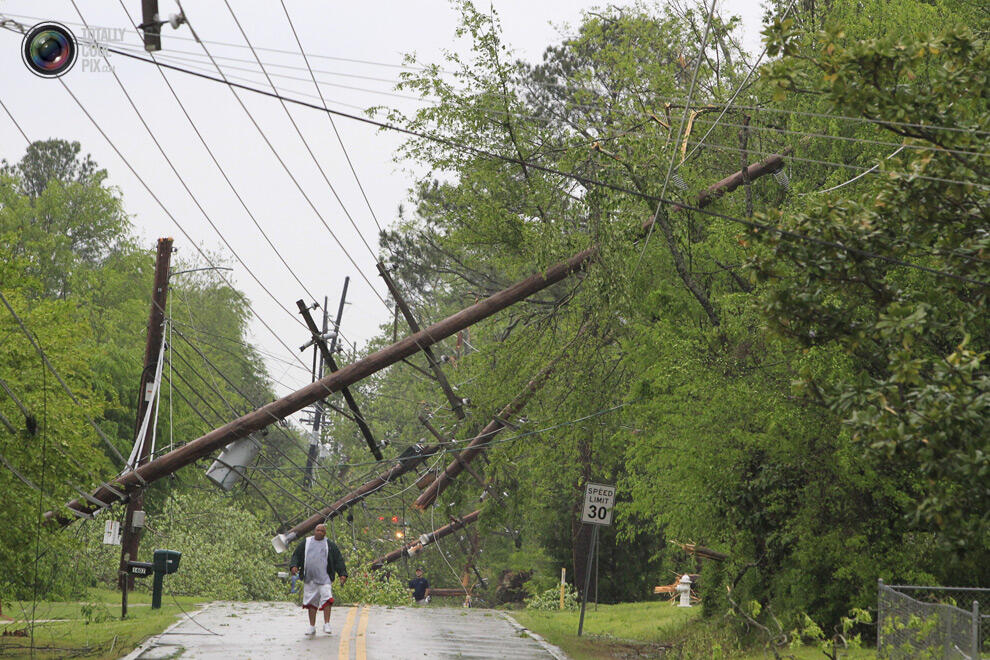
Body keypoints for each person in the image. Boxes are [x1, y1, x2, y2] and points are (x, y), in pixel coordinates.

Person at [289, 523, 348, 636]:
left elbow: (338, 560)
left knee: (327, 599)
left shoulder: (329, 545)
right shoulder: (306, 543)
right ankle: (312, 626)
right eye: (317, 530)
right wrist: (294, 566)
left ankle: (327, 623)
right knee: (311, 602)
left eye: (321, 531)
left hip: (324, 578)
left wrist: (342, 574)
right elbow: (296, 555)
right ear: (314, 531)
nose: (319, 532)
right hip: (309, 579)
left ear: (325, 533)